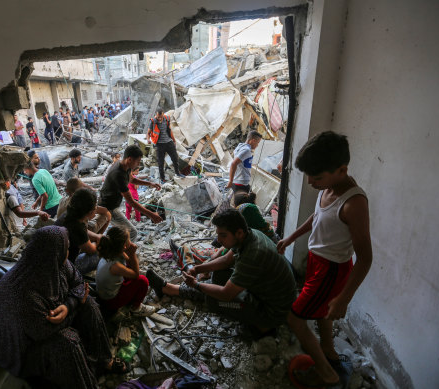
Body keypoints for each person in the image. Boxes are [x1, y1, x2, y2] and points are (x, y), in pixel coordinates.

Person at [276, 131, 372, 388]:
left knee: (295, 318)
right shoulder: (328, 187)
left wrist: (344, 298)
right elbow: (317, 217)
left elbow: (365, 258)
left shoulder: (354, 203)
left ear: (342, 169)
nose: (310, 183)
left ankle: (327, 376)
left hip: (332, 270)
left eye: (316, 177)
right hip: (319, 262)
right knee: (321, 314)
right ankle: (329, 353)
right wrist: (291, 237)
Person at [0, 226, 127, 389]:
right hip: (23, 348)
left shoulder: (57, 263)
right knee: (68, 342)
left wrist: (69, 305)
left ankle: (103, 360)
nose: (68, 252)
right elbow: (41, 331)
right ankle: (85, 382)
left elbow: (79, 283)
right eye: (67, 248)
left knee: (88, 303)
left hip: (50, 324)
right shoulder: (21, 292)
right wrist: (71, 308)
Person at [146, 209, 296, 335]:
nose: (218, 240)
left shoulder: (253, 255)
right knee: (219, 275)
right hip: (263, 290)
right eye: (218, 234)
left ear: (238, 232)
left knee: (214, 299)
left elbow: (226, 294)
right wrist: (198, 268)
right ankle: (169, 288)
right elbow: (225, 260)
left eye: (223, 235)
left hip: (272, 310)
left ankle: (263, 327)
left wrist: (197, 285)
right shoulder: (250, 234)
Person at [99, 145, 162, 241]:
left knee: (121, 232)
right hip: (108, 207)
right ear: (129, 159)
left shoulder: (125, 166)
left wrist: (150, 183)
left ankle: (118, 250)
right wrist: (152, 215)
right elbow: (131, 202)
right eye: (137, 161)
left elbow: (132, 179)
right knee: (132, 232)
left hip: (112, 204)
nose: (138, 164)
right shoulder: (118, 174)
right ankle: (121, 254)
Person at [95, 227, 156, 316]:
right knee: (143, 280)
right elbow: (135, 274)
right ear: (124, 246)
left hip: (105, 292)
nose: (131, 242)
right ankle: (136, 308)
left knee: (129, 269)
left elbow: (129, 263)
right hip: (110, 301)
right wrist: (132, 254)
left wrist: (129, 254)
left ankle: (130, 296)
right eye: (129, 240)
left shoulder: (110, 251)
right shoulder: (115, 266)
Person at [55, 188, 102, 275]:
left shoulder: (69, 215)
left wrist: (96, 236)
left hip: (57, 259)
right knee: (104, 252)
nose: (96, 208)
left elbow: (84, 232)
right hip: (67, 267)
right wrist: (99, 242)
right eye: (95, 206)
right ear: (90, 211)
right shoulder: (77, 227)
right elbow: (91, 250)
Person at [146, 108, 184, 183]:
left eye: (161, 117)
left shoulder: (167, 119)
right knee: (160, 162)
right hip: (159, 144)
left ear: (163, 114)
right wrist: (148, 139)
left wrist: (173, 140)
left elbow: (169, 130)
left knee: (175, 158)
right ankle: (162, 178)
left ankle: (178, 173)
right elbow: (148, 133)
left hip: (169, 142)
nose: (159, 118)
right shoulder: (153, 121)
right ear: (156, 115)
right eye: (158, 117)